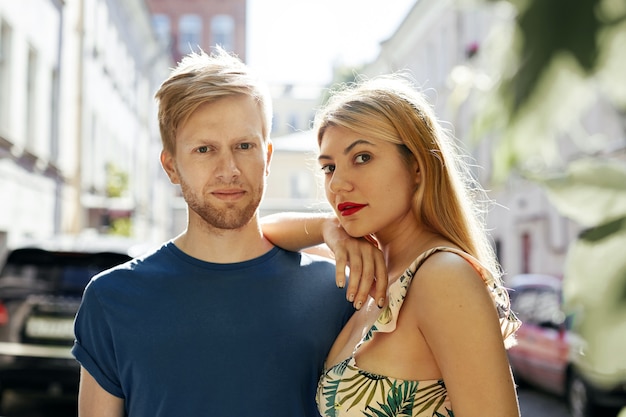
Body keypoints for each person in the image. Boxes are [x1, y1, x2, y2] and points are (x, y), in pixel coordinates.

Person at [71, 48, 385, 417]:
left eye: (244, 146)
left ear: (267, 157)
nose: (229, 169)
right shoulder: (112, 298)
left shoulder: (338, 291)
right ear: (171, 166)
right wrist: (323, 227)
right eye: (204, 149)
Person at [262, 74, 522, 416]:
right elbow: (260, 233)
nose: (338, 183)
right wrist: (329, 228)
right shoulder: (375, 272)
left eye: (363, 157)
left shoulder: (443, 277)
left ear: (416, 165)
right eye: (329, 167)